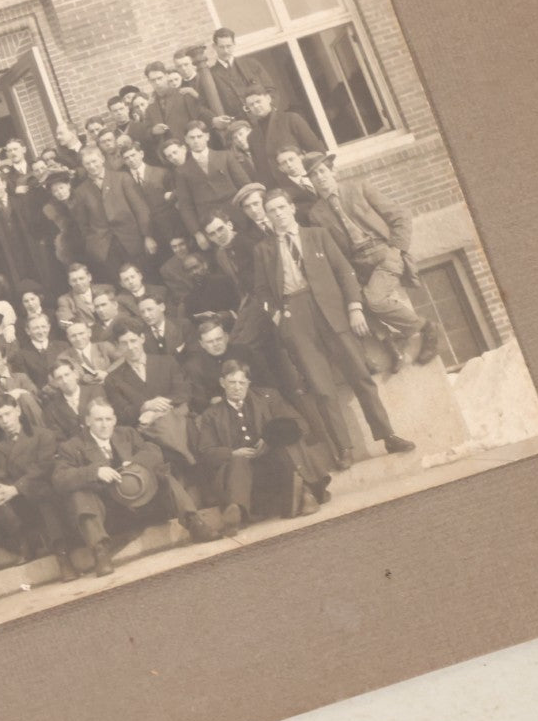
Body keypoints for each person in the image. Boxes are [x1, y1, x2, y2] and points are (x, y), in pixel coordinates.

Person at [250, 189, 416, 469]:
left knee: (360, 377)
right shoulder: (264, 250)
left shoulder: (317, 235)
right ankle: (344, 448)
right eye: (272, 211)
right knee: (322, 388)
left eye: (281, 207)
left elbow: (343, 271)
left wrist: (354, 308)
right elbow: (262, 291)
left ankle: (388, 435)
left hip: (332, 312)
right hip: (296, 316)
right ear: (267, 217)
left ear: (291, 208)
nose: (278, 214)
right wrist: (279, 317)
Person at [303, 152, 441, 367]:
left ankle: (424, 328)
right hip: (357, 264)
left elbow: (400, 216)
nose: (319, 177)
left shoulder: (359, 188)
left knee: (374, 300)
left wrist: (396, 250)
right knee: (352, 298)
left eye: (322, 171)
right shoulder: (316, 214)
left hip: (383, 252)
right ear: (310, 181)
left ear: (332, 171)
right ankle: (391, 347)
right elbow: (333, 252)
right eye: (313, 175)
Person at [51, 397, 202, 577]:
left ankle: (195, 523)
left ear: (114, 420)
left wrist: (136, 463)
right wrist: (94, 472)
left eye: (108, 419)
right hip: (111, 516)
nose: (104, 425)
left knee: (163, 474)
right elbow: (59, 479)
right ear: (88, 421)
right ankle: (101, 553)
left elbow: (154, 451)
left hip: (143, 503)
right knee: (80, 495)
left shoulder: (127, 434)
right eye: (98, 420)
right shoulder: (72, 447)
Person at [191, 360, 330, 522]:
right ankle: (236, 510)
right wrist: (232, 453)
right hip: (246, 477)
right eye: (232, 382)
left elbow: (301, 425)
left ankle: (306, 493)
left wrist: (269, 438)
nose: (237, 387)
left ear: (248, 383)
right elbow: (206, 451)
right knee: (238, 461)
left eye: (242, 383)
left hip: (276, 463)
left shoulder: (268, 397)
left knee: (286, 440)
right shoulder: (211, 415)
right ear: (222, 383)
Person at [0, 394, 76, 579]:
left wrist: (15, 488)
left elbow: (43, 468)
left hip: (36, 492)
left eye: (8, 414)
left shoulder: (42, 435)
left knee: (45, 498)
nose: (5, 421)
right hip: (10, 499)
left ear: (18, 411)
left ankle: (62, 556)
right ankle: (23, 542)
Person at [103, 319, 196, 468]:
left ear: (142, 338)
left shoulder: (167, 362)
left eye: (133, 340)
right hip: (146, 436)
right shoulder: (113, 378)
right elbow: (121, 413)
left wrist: (159, 406)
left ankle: (188, 462)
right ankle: (189, 462)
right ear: (118, 346)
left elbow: (183, 392)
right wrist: (145, 406)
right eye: (124, 343)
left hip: (179, 424)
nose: (131, 347)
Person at [70, 144, 155, 280]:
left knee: (145, 277)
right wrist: (94, 246)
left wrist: (147, 236)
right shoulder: (81, 191)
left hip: (131, 241)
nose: (92, 166)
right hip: (105, 248)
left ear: (102, 159)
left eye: (94, 161)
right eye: (87, 163)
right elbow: (83, 225)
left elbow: (140, 209)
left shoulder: (122, 178)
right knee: (118, 284)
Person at [174, 122, 251, 244]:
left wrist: (251, 210)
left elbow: (245, 185)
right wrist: (197, 233)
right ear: (186, 140)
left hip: (237, 213)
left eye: (199, 136)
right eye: (192, 138)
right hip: (210, 225)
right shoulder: (182, 171)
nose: (196, 141)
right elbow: (186, 206)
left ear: (207, 137)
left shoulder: (225, 156)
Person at [243, 83, 325, 190]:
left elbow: (316, 152)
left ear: (268, 98)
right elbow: (261, 172)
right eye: (251, 105)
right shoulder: (252, 137)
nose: (256, 106)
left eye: (258, 101)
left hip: (306, 186)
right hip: (281, 195)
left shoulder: (291, 119)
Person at [203, 28, 270, 119]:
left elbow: (270, 89)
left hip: (264, 118)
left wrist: (270, 110)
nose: (226, 51)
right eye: (221, 47)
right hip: (238, 126)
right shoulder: (210, 75)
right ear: (214, 46)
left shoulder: (251, 64)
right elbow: (204, 105)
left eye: (229, 46)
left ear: (234, 45)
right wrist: (215, 120)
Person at [40, 355, 105, 441]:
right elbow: (60, 439)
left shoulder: (96, 392)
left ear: (75, 374)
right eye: (59, 378)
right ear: (55, 382)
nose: (65, 381)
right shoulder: (51, 408)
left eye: (67, 375)